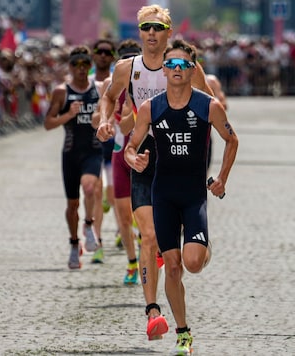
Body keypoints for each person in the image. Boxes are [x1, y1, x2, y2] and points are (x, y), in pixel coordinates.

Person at [95, 4, 215, 342]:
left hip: (179, 162)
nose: (151, 34)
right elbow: (109, 97)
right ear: (139, 31)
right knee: (148, 236)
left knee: (179, 257)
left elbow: (211, 109)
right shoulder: (127, 68)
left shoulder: (188, 67)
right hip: (144, 158)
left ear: (168, 32)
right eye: (145, 27)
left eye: (157, 28)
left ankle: (199, 249)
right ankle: (152, 314)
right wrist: (107, 120)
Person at [124, 39, 238, 356]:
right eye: (171, 64)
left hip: (193, 195)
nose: (176, 69)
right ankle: (183, 333)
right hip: (163, 194)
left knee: (193, 263)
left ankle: (202, 249)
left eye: (182, 65)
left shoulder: (208, 106)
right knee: (172, 266)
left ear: (192, 69)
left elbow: (232, 139)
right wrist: (134, 159)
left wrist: (223, 179)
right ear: (163, 70)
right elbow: (130, 147)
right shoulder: (150, 108)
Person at [44, 46, 103, 269]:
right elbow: (48, 123)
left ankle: (88, 226)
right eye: (76, 64)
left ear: (90, 66)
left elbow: (108, 115)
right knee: (72, 204)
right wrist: (68, 115)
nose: (81, 69)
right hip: (70, 153)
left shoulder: (98, 89)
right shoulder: (62, 92)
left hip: (93, 150)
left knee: (89, 187)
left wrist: (100, 116)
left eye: (85, 64)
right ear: (70, 66)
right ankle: (73, 243)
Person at [94, 39, 143, 285]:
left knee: (145, 214)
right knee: (123, 215)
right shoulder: (109, 83)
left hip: (144, 153)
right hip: (119, 152)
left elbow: (127, 122)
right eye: (125, 60)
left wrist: (130, 110)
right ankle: (132, 262)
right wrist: (102, 121)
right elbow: (100, 116)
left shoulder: (150, 82)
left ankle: (147, 252)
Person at [88, 38, 118, 264]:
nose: (104, 56)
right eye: (99, 51)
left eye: (108, 52)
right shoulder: (87, 82)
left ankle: (121, 231)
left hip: (116, 145)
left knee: (114, 195)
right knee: (97, 194)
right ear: (94, 55)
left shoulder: (118, 81)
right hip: (94, 146)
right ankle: (97, 242)